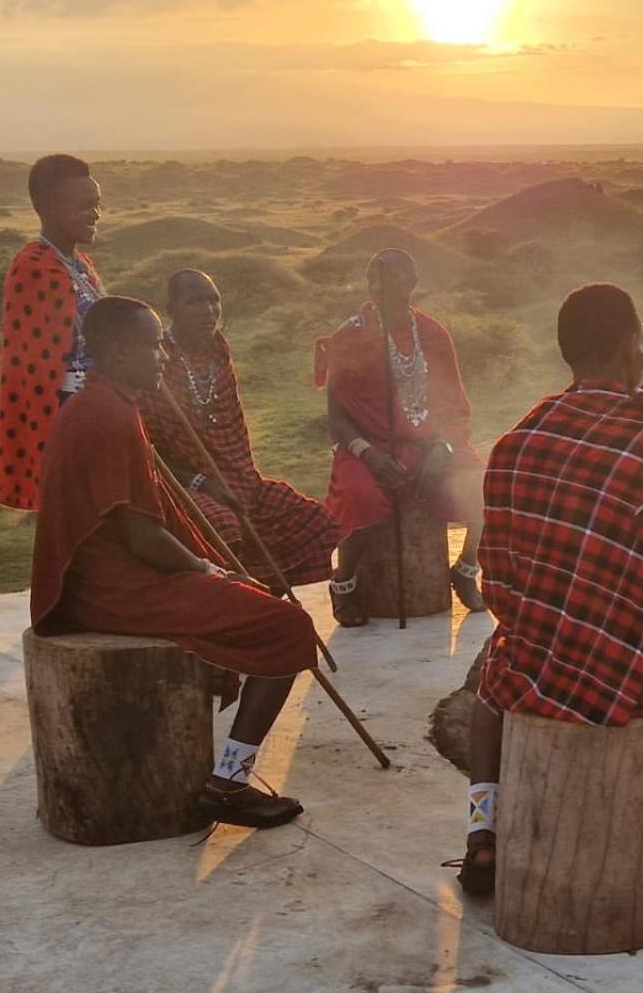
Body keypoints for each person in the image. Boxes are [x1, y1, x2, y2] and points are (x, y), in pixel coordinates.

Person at [457, 283, 643, 897]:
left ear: (569, 351)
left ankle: (482, 835)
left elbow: (499, 583)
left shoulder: (518, 439)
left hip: (537, 668)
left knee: (491, 678)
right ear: (631, 346)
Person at [30, 296, 316, 828]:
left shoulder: (102, 405)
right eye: (153, 343)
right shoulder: (109, 416)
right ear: (117, 351)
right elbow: (140, 535)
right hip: (115, 589)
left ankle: (228, 771)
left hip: (107, 578)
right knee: (289, 627)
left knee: (260, 601)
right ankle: (229, 783)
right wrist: (209, 571)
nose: (162, 354)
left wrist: (216, 572)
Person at [314, 248, 485, 626]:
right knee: (360, 496)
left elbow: (454, 407)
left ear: (412, 283)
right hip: (367, 449)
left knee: (483, 486)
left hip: (431, 445)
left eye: (392, 279)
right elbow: (337, 419)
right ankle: (345, 583)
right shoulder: (350, 336)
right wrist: (370, 455)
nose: (382, 288)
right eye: (375, 279)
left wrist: (441, 448)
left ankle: (467, 568)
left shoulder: (432, 334)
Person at [140, 269, 338, 586]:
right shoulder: (157, 359)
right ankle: (235, 601)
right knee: (225, 528)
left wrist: (239, 483)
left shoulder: (218, 351)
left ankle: (266, 598)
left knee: (317, 521)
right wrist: (205, 482)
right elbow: (147, 452)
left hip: (239, 480)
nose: (208, 311)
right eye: (194, 302)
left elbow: (232, 432)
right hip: (183, 487)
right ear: (171, 310)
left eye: (213, 300)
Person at [0, 154, 109, 510]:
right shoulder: (33, 267)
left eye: (98, 205)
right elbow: (42, 369)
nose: (96, 215)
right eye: (85, 206)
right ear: (47, 206)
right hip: (70, 420)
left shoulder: (79, 263)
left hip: (103, 408)